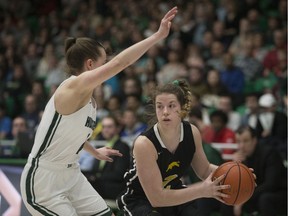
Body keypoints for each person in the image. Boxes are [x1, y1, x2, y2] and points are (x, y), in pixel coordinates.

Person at [20, 6, 179, 216]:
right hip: (43, 181)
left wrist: (93, 151)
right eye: (103, 63)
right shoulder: (73, 86)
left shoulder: (89, 102)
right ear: (89, 64)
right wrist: (157, 36)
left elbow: (67, 133)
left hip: (72, 174)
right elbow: (122, 62)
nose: (107, 67)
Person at [116, 79, 231, 216]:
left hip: (173, 191)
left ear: (182, 108)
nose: (165, 112)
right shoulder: (144, 143)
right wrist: (201, 190)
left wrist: (233, 172)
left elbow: (205, 170)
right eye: (160, 106)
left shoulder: (192, 132)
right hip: (141, 200)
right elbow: (156, 198)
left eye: (171, 106)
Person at [230, 126, 287, 216]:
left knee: (265, 199)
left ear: (254, 140)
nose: (241, 146)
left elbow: (271, 184)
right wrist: (234, 167)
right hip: (256, 193)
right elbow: (237, 184)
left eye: (245, 141)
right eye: (238, 142)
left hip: (280, 193)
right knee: (230, 200)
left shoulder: (270, 153)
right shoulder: (241, 157)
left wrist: (244, 198)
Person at [81, 115, 130, 200]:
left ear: (118, 128)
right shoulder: (103, 146)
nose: (105, 130)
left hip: (114, 188)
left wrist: (96, 177)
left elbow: (118, 174)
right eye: (103, 127)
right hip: (101, 183)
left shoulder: (122, 146)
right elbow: (95, 170)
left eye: (109, 127)